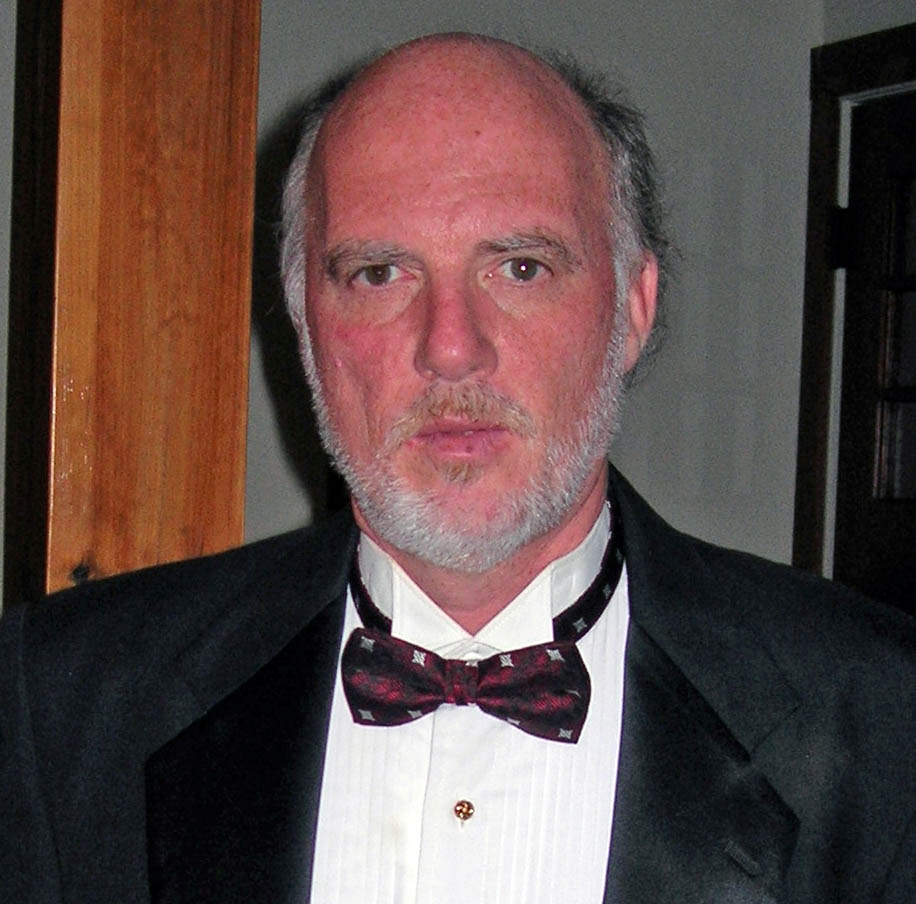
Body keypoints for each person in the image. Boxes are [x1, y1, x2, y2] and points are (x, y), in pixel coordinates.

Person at [2, 32, 915, 904]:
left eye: (520, 268)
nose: (449, 348)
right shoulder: (67, 705)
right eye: (378, 274)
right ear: (305, 325)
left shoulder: (882, 719)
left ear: (633, 308)